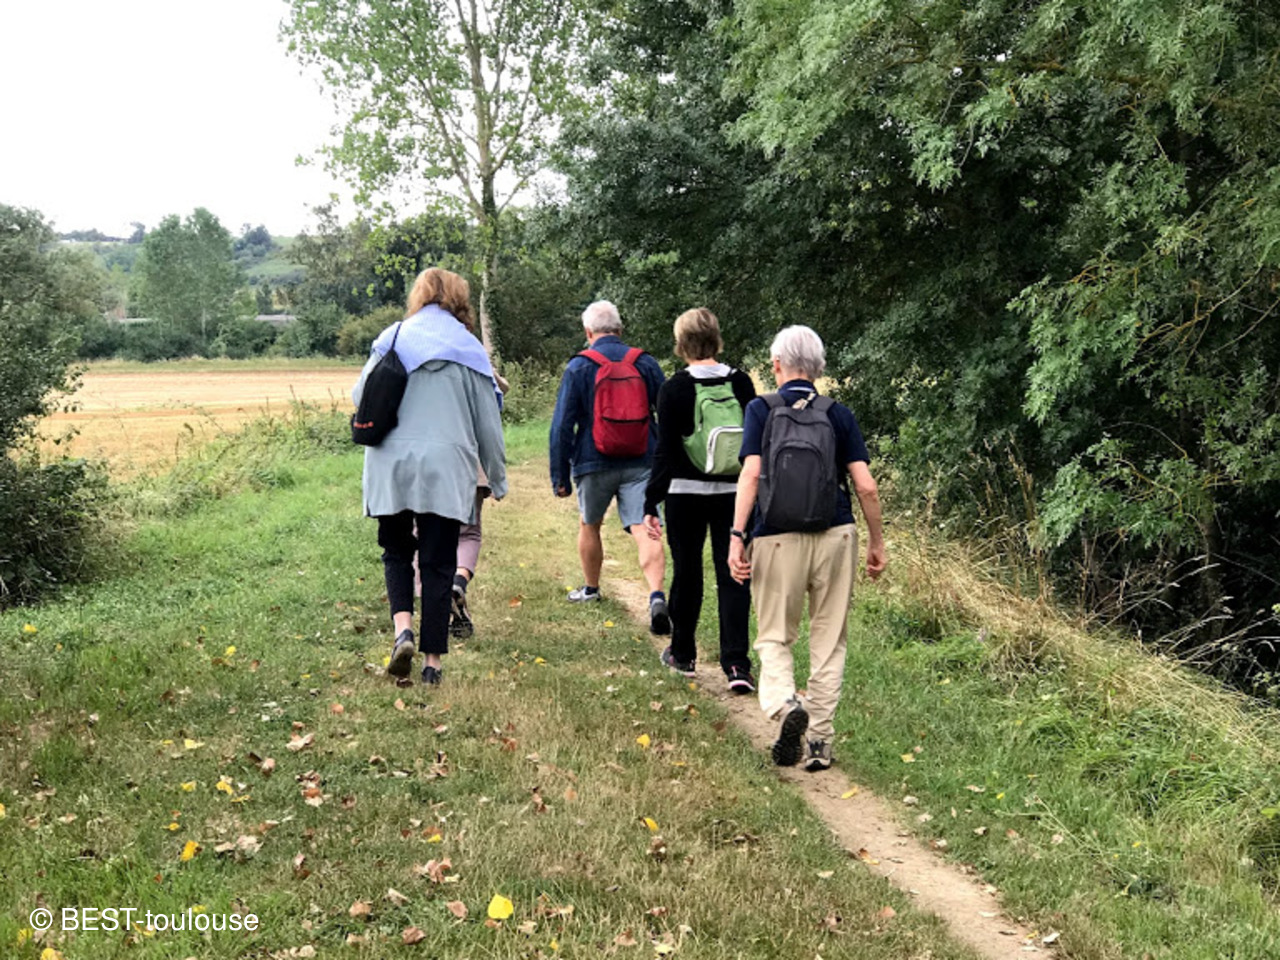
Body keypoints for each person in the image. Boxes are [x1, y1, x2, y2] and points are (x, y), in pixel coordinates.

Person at [728, 325, 886, 771]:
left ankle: (784, 705)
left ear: (776, 364)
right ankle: (819, 743)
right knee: (829, 641)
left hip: (775, 535)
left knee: (775, 635)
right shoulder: (838, 414)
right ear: (818, 368)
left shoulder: (761, 409)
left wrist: (737, 536)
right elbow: (866, 486)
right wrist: (876, 542)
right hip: (836, 534)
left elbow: (752, 475)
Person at [353, 267, 506, 686]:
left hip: (391, 464)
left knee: (397, 550)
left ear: (418, 297)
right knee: (438, 561)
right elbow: (488, 422)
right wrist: (497, 477)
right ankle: (432, 663)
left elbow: (359, 395)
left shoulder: (393, 338)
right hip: (445, 467)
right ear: (459, 300)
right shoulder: (469, 349)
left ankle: (403, 630)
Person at [641, 308, 757, 693]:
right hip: (734, 495)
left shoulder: (673, 388)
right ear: (716, 339)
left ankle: (683, 654)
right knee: (734, 574)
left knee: (687, 573)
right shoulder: (741, 382)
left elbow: (665, 451)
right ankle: (737, 665)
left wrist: (651, 501)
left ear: (681, 343)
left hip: (684, 494)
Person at [550, 300, 670, 633]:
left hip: (593, 460)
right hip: (642, 458)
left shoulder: (579, 366)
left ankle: (591, 589)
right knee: (645, 526)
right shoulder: (645, 363)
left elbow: (562, 425)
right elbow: (668, 414)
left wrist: (560, 476)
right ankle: (656, 595)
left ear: (588, 332)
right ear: (620, 329)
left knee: (590, 523)